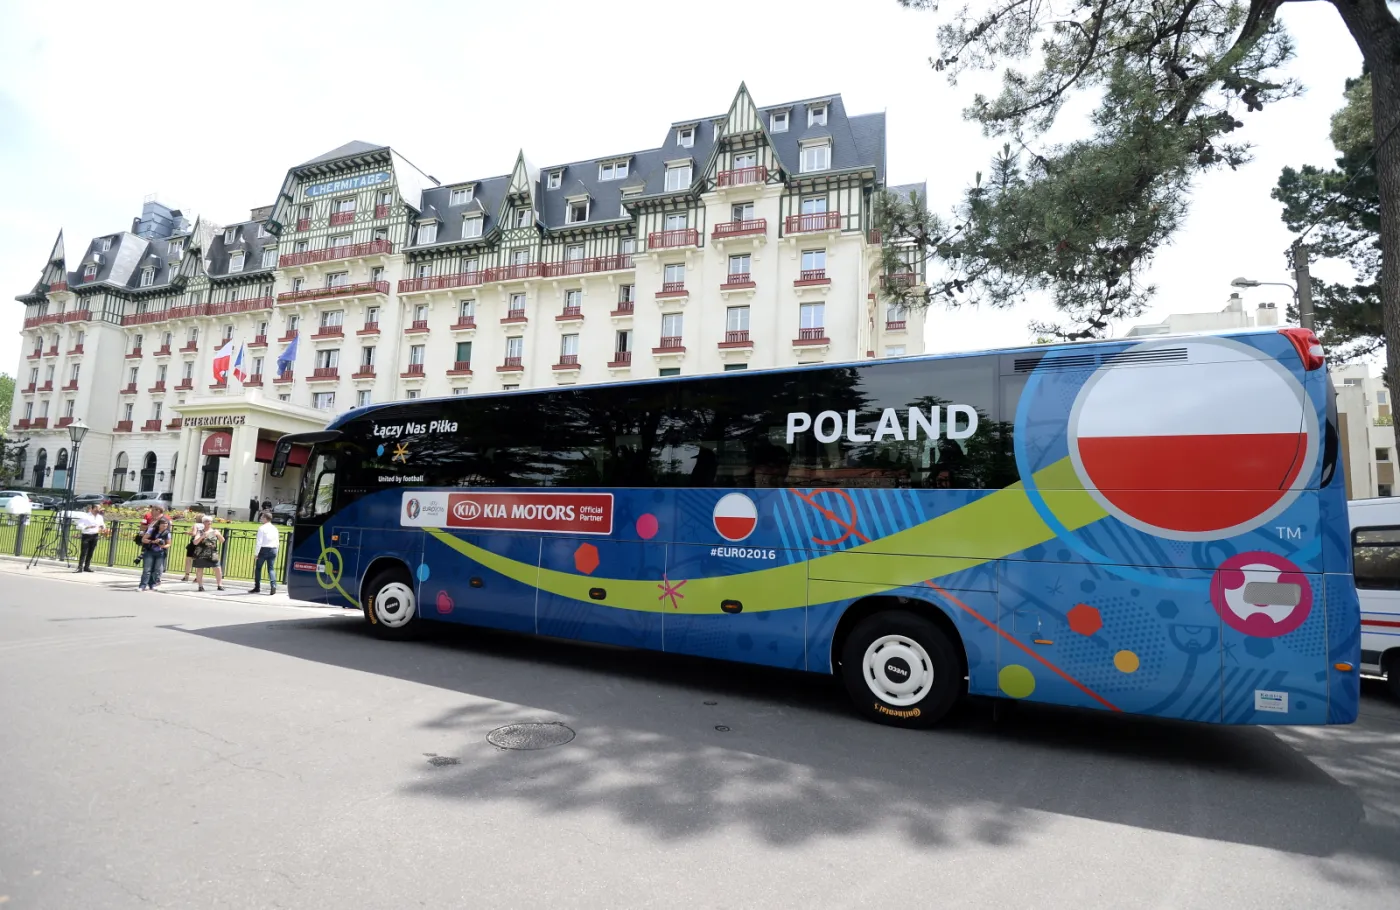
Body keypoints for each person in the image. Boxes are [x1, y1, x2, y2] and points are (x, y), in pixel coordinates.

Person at [138, 516, 173, 592]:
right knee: (147, 569)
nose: (165, 526)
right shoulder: (152, 530)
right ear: (159, 524)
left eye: (166, 525)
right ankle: (142, 585)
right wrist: (153, 541)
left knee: (157, 570)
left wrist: (163, 546)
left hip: (160, 552)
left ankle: (152, 585)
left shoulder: (167, 533)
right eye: (163, 524)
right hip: (150, 551)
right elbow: (143, 539)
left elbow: (169, 544)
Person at [191, 516, 225, 592]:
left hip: (213, 553)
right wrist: (202, 536)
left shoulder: (215, 531)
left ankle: (220, 585)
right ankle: (200, 586)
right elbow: (195, 542)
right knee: (200, 569)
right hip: (201, 553)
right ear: (203, 523)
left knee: (217, 568)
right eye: (207, 521)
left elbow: (222, 541)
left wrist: (218, 535)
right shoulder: (200, 532)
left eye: (210, 521)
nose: (209, 523)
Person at [250, 510, 279, 595]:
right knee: (271, 568)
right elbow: (277, 541)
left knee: (258, 568)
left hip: (263, 549)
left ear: (266, 518)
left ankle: (257, 587)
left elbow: (259, 542)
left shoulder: (262, 528)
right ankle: (273, 585)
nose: (261, 519)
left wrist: (256, 553)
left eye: (262, 517)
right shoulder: (275, 528)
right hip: (273, 549)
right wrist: (276, 550)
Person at [75, 504, 106, 573]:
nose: (100, 510)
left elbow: (103, 524)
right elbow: (78, 526)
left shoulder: (100, 517)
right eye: (99, 508)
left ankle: (87, 567)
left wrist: (103, 527)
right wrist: (87, 527)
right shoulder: (85, 516)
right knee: (84, 552)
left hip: (95, 535)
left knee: (91, 552)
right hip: (86, 535)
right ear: (94, 508)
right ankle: (80, 567)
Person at [179, 516, 203, 582]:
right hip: (201, 543)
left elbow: (194, 533)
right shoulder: (205, 525)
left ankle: (186, 576)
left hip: (194, 543)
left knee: (188, 560)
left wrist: (187, 532)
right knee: (198, 560)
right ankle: (198, 577)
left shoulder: (196, 525)